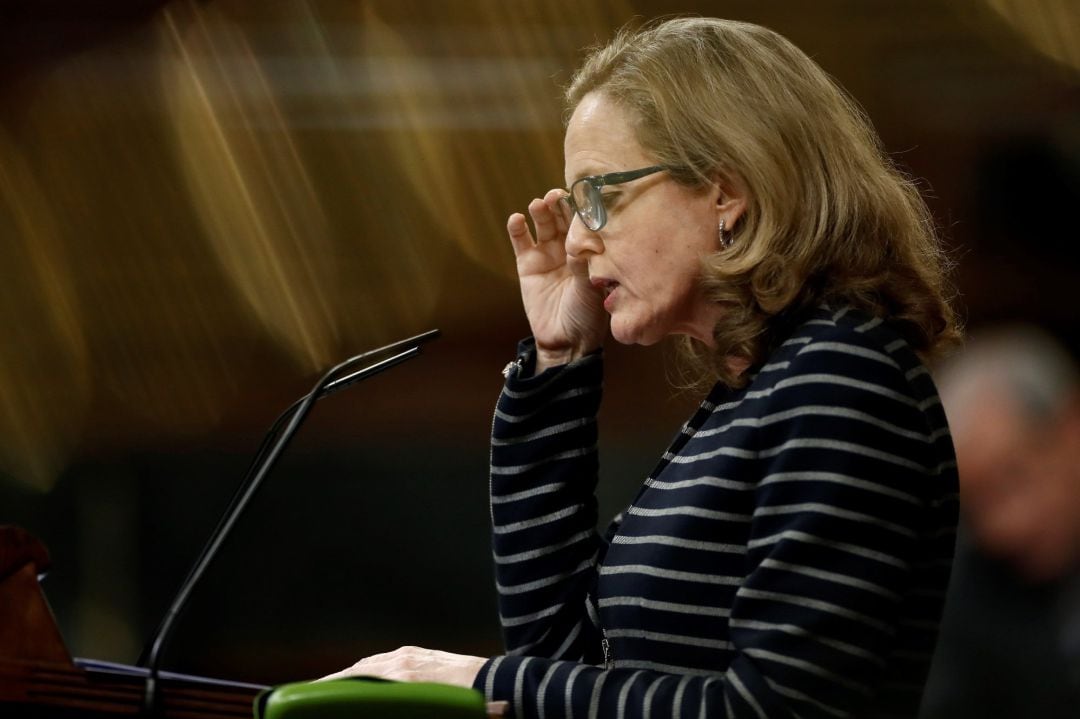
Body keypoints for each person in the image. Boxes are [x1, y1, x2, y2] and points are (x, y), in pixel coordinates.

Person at [325, 17, 960, 718]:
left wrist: (481, 682)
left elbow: (779, 709)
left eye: (599, 194)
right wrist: (558, 367)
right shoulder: (759, 389)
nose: (575, 238)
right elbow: (561, 662)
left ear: (727, 191)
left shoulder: (840, 379)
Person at [920, 326, 1080, 718]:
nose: (1005, 528)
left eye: (1014, 478)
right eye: (978, 507)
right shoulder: (965, 595)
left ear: (1071, 430)